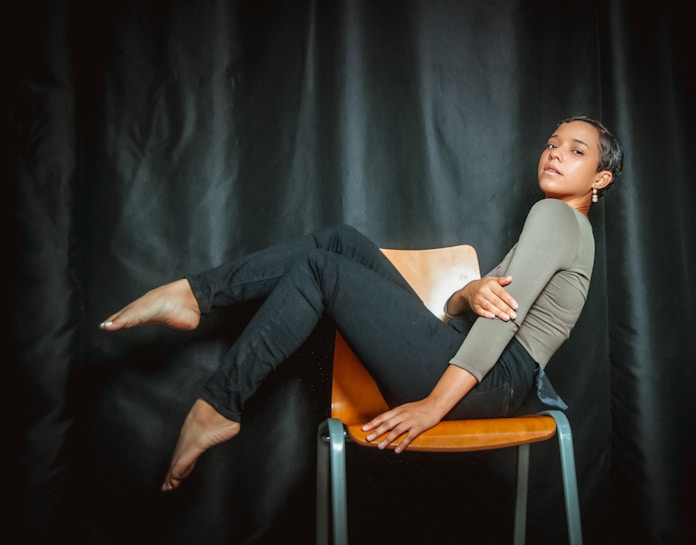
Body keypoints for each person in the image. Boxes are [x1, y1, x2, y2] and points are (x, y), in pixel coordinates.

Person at [100, 115, 624, 492]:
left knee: (322, 268)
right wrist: (470, 290)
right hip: (479, 367)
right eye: (552, 142)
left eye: (576, 151)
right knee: (341, 242)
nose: (555, 152)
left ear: (599, 180)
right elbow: (460, 306)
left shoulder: (555, 218)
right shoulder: (560, 226)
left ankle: (218, 399)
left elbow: (499, 330)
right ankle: (195, 295)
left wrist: (432, 407)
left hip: (487, 379)